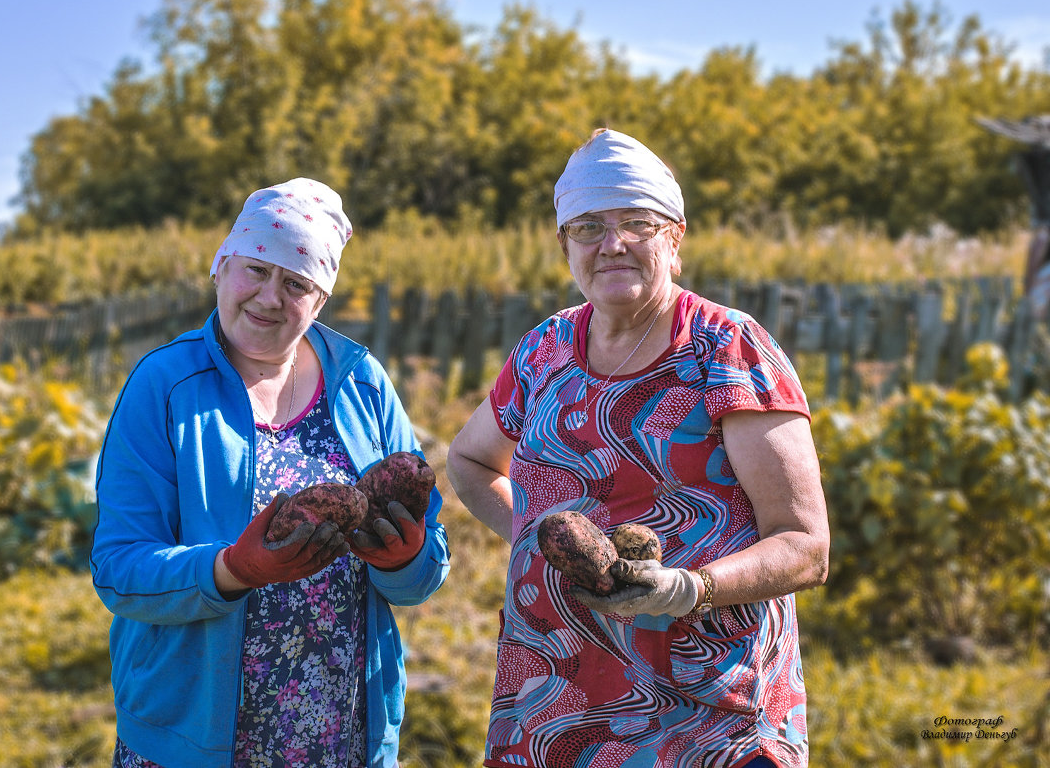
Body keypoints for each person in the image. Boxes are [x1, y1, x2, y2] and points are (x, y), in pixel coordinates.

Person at [446, 129, 830, 767]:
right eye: (588, 226)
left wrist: (686, 588)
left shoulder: (727, 349)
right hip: (554, 700)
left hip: (706, 714)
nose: (611, 243)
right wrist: (543, 537)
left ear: (675, 241)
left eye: (636, 223)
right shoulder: (546, 347)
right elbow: (469, 460)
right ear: (565, 244)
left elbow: (804, 545)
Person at [90, 178, 450, 768]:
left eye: (296, 283)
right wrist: (232, 569)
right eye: (255, 270)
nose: (268, 297)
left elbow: (426, 564)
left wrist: (404, 561)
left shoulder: (362, 383)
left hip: (340, 733)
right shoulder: (164, 386)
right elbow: (119, 569)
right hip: (195, 736)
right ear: (221, 266)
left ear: (321, 300)